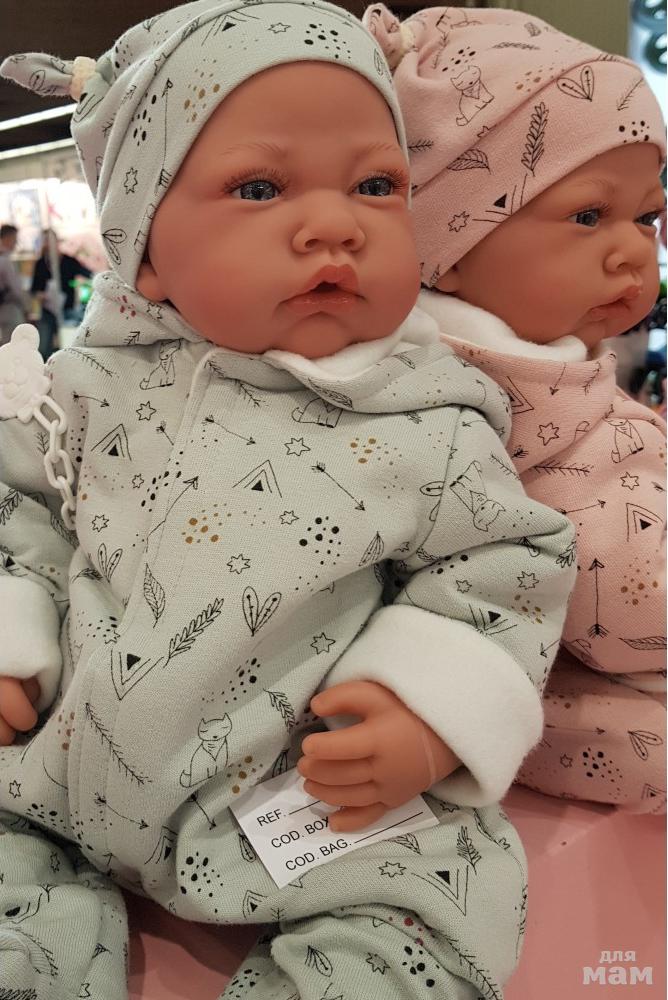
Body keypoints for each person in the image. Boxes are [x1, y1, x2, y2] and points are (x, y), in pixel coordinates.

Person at [0, 2, 576, 997]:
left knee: (437, 900)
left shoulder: (427, 416)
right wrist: (13, 637)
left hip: (292, 796)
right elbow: (23, 513)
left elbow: (503, 566)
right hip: (54, 765)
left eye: (375, 186)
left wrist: (424, 711)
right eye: (260, 188)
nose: (334, 224)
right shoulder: (79, 393)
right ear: (145, 251)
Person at [366, 4, 667, 812]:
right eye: (588, 216)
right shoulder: (491, 415)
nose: (633, 251)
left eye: (646, 216)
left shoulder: (552, 367)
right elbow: (623, 596)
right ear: (447, 249)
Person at [30, 228, 92, 360]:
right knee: (44, 346)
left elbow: (88, 274)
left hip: (67, 309)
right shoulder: (41, 263)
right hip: (48, 310)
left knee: (68, 344)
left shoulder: (69, 261)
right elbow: (35, 288)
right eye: (46, 241)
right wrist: (40, 295)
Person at [0, 222, 28, 345]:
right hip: (9, 308)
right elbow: (15, 289)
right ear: (8, 238)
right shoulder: (5, 260)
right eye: (15, 239)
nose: (16, 243)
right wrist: (26, 306)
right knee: (13, 345)